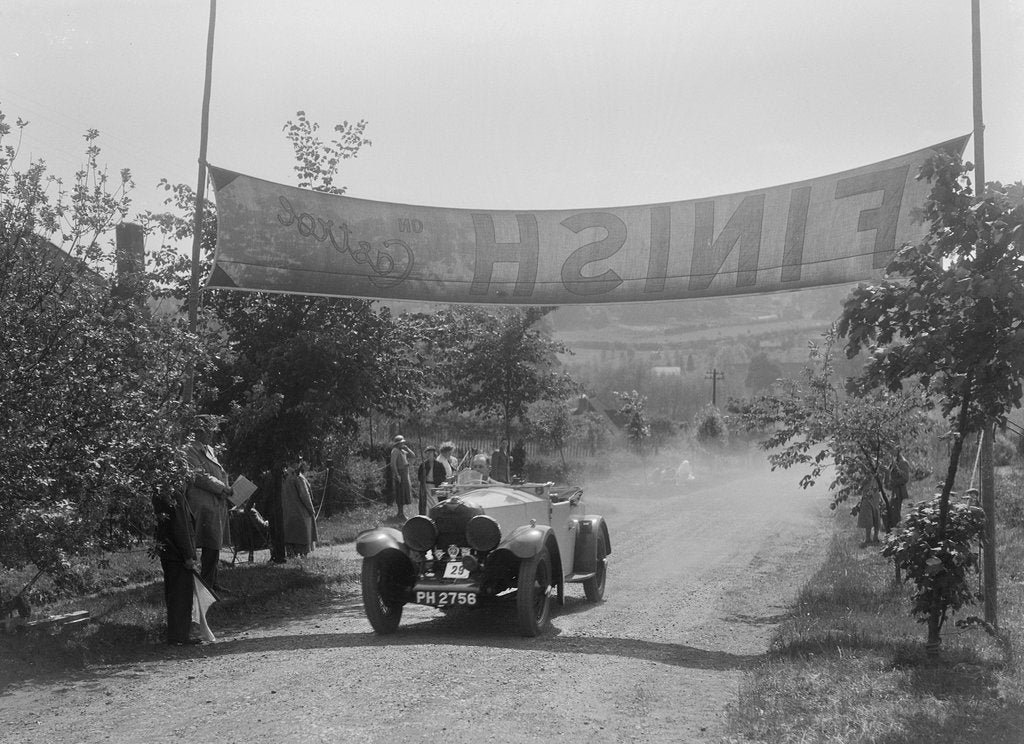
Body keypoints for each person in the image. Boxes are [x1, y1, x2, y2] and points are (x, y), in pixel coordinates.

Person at [184, 415, 233, 592]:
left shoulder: (209, 449)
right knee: (209, 543)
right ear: (198, 430)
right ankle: (205, 586)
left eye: (212, 430)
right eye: (207, 430)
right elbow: (199, 476)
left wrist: (227, 488)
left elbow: (218, 472)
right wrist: (222, 488)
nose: (211, 433)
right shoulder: (189, 450)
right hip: (202, 503)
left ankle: (212, 582)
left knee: (214, 544)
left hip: (215, 502)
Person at [152, 474, 201, 646]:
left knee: (173, 595)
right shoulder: (175, 496)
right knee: (182, 595)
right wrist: (188, 555)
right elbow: (181, 528)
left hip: (168, 552)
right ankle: (180, 635)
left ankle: (176, 635)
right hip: (178, 554)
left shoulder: (160, 493)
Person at [282, 458, 318, 557]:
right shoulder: (297, 477)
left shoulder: (284, 476)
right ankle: (302, 557)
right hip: (300, 511)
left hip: (287, 511)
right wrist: (311, 509)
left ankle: (291, 555)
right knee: (302, 536)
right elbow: (304, 495)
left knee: (290, 536)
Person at [416, 445, 447, 514]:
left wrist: (440, 483)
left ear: (434, 453)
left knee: (435, 502)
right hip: (426, 486)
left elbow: (443, 476)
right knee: (426, 503)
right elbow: (419, 476)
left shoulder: (439, 465)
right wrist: (423, 478)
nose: (429, 454)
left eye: (430, 452)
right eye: (427, 453)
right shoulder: (423, 465)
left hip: (436, 486)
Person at [390, 434, 414, 520]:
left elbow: (413, 455)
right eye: (401, 443)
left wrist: (407, 449)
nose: (403, 444)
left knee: (404, 492)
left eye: (403, 443)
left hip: (405, 473)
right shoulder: (395, 451)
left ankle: (401, 513)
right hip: (400, 474)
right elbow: (393, 464)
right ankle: (400, 513)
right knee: (400, 493)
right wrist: (397, 475)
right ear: (397, 443)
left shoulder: (402, 451)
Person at [887, 450, 911, 528]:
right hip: (894, 491)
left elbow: (906, 478)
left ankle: (898, 529)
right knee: (893, 511)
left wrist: (895, 482)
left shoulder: (903, 462)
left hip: (899, 491)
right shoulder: (894, 462)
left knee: (896, 512)